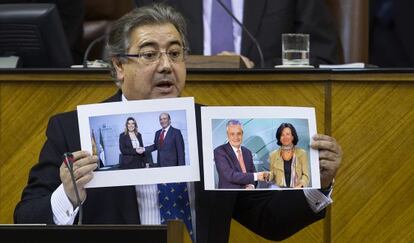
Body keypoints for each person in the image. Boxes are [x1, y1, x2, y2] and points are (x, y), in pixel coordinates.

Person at [14, 3, 342, 243]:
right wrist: (68, 194)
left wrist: (319, 184)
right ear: (117, 67)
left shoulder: (212, 129)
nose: (166, 65)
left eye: (175, 53)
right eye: (148, 54)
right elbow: (26, 219)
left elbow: (270, 220)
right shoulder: (73, 130)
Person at [135, 0, 340, 68]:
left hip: (266, 101)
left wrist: (252, 68)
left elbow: (323, 57)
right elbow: (136, 57)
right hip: (182, 101)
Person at [214, 120, 268, 189]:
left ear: (242, 134)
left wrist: (251, 186)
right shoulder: (220, 151)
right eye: (232, 134)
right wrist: (256, 176)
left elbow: (252, 173)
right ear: (227, 135)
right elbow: (230, 176)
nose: (236, 137)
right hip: (230, 197)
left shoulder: (247, 152)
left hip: (249, 196)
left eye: (238, 133)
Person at [268, 123, 310, 188]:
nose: (285, 137)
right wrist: (266, 176)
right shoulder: (273, 155)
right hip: (279, 192)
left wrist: (300, 186)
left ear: (292, 137)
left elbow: (305, 176)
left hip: (297, 191)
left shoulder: (302, 153)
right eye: (282, 135)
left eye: (288, 134)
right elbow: (272, 176)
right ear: (279, 138)